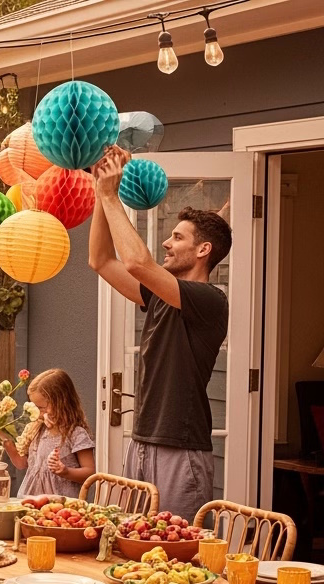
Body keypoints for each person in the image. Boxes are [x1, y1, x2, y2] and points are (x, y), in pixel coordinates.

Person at [88, 145, 232, 523]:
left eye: (177, 237)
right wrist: (100, 192)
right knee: (130, 540)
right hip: (142, 440)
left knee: (177, 548)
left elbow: (137, 262)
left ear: (203, 250)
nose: (166, 243)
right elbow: (100, 260)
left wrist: (111, 195)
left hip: (180, 449)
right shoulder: (158, 296)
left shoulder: (209, 300)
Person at [2, 368, 95, 499]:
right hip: (30, 501)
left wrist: (65, 472)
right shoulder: (36, 430)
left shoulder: (76, 434)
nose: (37, 412)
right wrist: (5, 438)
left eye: (40, 407)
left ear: (61, 403)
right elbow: (21, 464)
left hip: (60, 505)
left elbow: (90, 473)